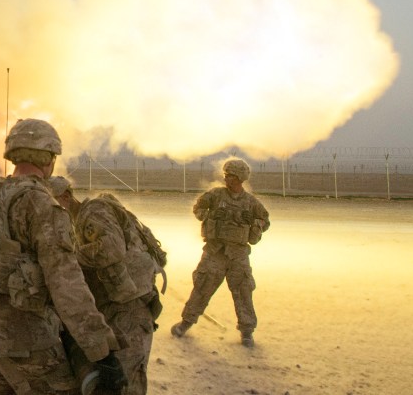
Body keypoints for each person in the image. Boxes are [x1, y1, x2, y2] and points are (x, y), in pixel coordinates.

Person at [0, 119, 127, 394]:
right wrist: (101, 350)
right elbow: (67, 284)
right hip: (23, 336)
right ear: (49, 159)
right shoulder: (41, 204)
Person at [50, 176, 165, 395]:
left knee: (128, 383)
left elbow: (111, 249)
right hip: (112, 308)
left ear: (65, 197)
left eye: (51, 204)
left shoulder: (92, 212)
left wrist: (66, 256)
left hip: (130, 310)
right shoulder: (74, 226)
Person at [171, 157, 270, 347]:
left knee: (243, 291)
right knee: (202, 287)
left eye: (231, 176)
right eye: (226, 175)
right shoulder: (215, 195)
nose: (227, 179)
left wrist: (254, 222)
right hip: (215, 252)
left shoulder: (251, 203)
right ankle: (186, 323)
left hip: (238, 256)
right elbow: (198, 208)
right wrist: (210, 216)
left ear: (240, 178)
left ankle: (247, 332)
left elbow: (265, 222)